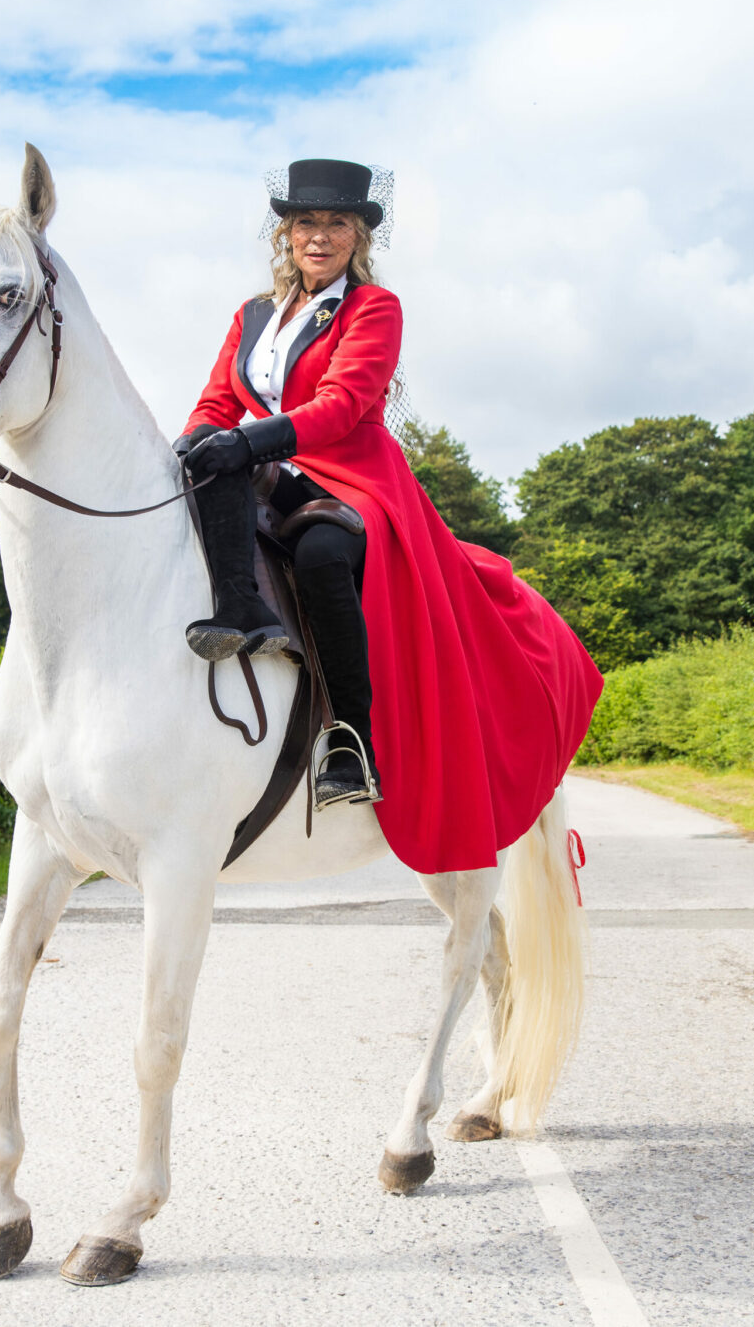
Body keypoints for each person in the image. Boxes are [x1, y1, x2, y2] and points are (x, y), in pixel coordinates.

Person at [176, 160, 604, 872]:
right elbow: (218, 399)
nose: (320, 236)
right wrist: (198, 440)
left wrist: (246, 441)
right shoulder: (252, 315)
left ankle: (350, 740)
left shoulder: (374, 309)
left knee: (317, 553)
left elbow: (342, 405)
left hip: (351, 474)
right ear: (286, 231)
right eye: (307, 223)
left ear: (358, 235)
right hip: (271, 470)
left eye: (336, 223)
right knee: (197, 486)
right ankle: (239, 614)